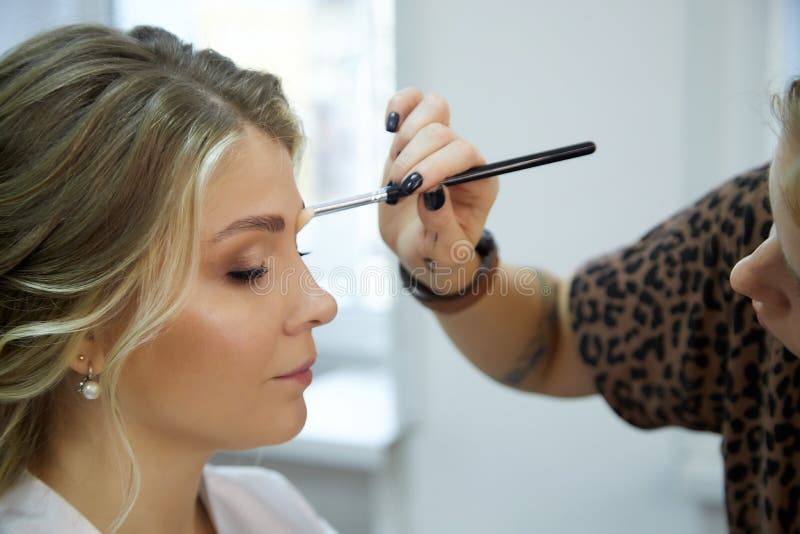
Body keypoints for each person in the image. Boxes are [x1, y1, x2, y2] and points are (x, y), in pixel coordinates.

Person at [0, 23, 469, 534]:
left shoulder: (269, 510)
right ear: (81, 331)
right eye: (248, 270)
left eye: (300, 244)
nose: (321, 302)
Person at [378, 78, 800, 532]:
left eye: (797, 268)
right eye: (775, 224)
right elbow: (560, 335)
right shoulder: (747, 221)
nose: (743, 275)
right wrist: (447, 267)